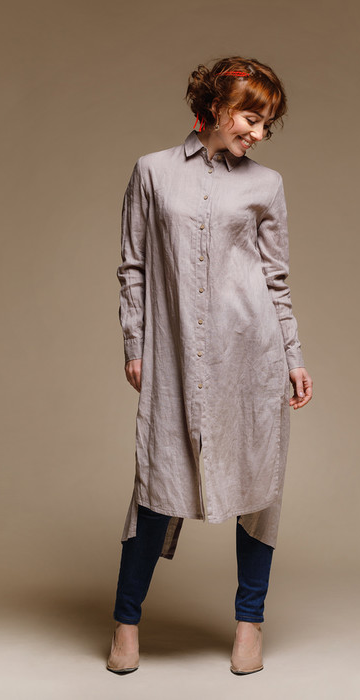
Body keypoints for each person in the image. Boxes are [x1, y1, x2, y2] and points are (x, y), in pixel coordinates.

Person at [107, 55, 313, 676]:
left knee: (259, 489)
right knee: (158, 482)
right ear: (217, 108)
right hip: (174, 355)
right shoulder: (152, 172)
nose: (259, 133)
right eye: (251, 118)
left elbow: (275, 280)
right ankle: (125, 622)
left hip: (251, 356)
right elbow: (133, 266)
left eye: (267, 124)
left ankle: (250, 624)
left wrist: (293, 356)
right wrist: (135, 344)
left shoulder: (266, 184)